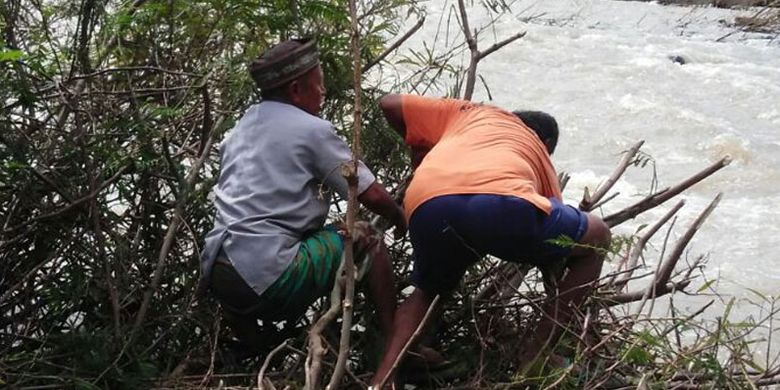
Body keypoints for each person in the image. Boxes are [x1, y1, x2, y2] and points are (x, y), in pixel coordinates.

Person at [369, 94, 611, 387]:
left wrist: (420, 155)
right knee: (597, 236)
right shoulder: (538, 154)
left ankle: (384, 379)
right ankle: (535, 360)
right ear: (545, 144)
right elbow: (555, 252)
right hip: (503, 202)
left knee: (426, 291)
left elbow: (389, 104)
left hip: (426, 198)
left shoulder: (470, 114)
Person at [199, 38, 407, 355]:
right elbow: (372, 195)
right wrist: (400, 216)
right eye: (319, 85)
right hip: (268, 274)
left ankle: (258, 350)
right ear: (296, 90)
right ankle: (397, 345)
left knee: (287, 248)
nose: (323, 93)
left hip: (219, 270)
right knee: (368, 239)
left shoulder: (241, 128)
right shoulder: (311, 130)